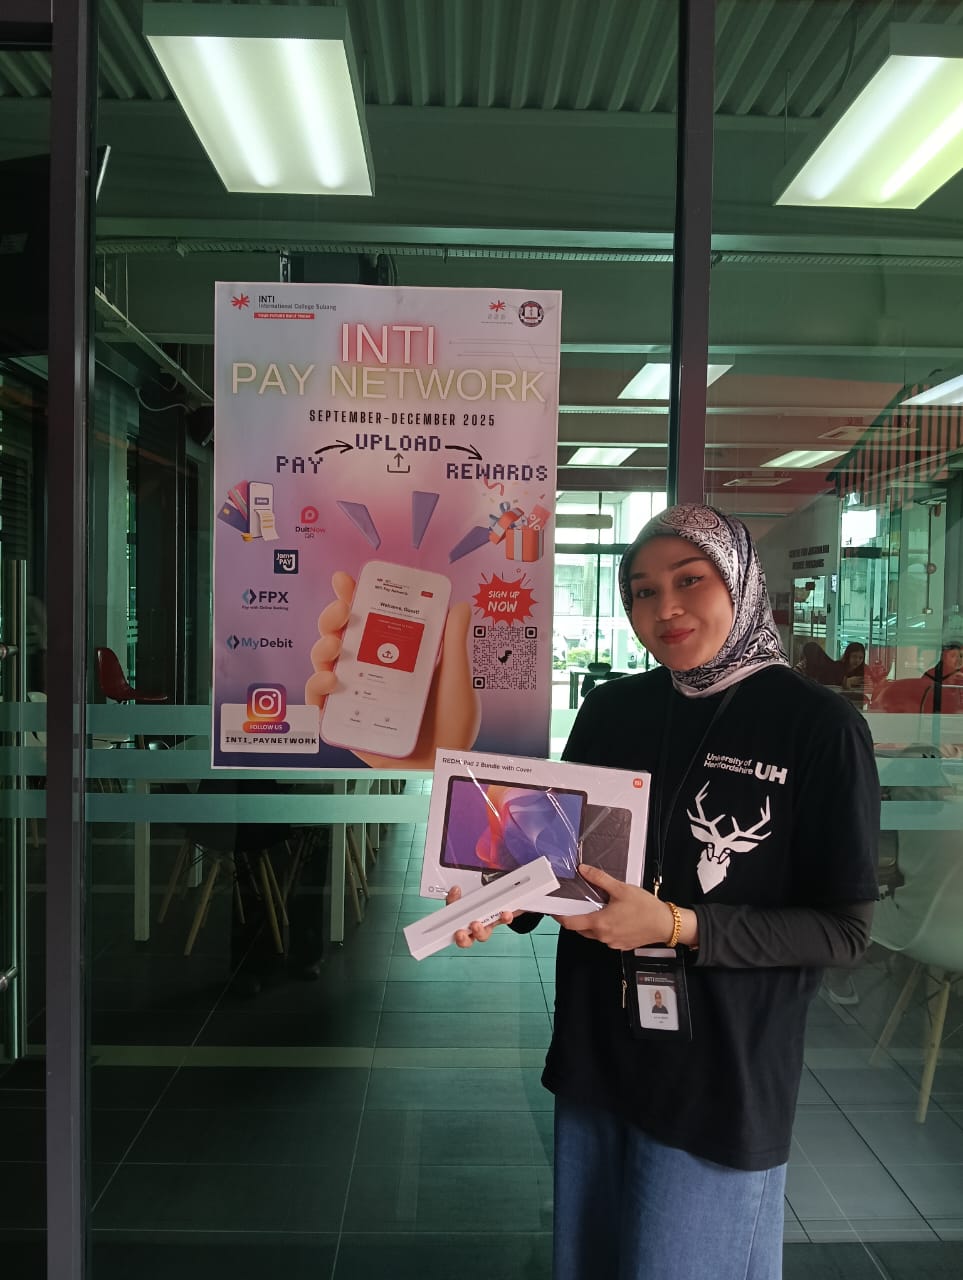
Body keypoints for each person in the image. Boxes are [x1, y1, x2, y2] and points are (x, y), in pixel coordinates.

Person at [449, 503, 879, 1280]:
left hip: (718, 1069)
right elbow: (560, 858)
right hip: (599, 1049)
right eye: (642, 591)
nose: (664, 608)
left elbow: (842, 931)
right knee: (592, 1261)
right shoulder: (614, 709)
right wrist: (500, 895)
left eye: (690, 580)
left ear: (741, 582)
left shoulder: (817, 726)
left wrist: (678, 924)